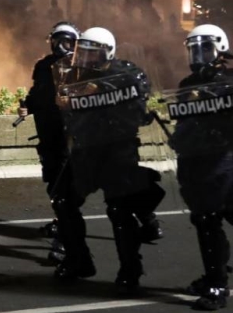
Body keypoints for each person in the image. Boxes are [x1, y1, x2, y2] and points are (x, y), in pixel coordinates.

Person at [54, 27, 165, 292]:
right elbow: (68, 113)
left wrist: (104, 91)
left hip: (117, 151)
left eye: (93, 54)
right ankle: (78, 260)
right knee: (62, 199)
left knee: (120, 211)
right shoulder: (74, 77)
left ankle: (130, 270)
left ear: (107, 52)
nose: (86, 59)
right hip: (85, 151)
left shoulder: (127, 74)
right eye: (83, 52)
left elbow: (138, 111)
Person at [169, 25, 233, 311]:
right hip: (192, 159)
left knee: (208, 220)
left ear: (220, 48)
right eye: (194, 48)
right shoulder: (188, 84)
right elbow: (185, 122)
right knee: (203, 219)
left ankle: (217, 285)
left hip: (218, 158)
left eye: (204, 48)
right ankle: (215, 271)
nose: (198, 54)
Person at [20, 22, 81, 263]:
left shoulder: (82, 67)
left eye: (66, 41)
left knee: (66, 190)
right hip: (49, 135)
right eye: (56, 41)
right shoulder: (44, 66)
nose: (60, 46)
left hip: (71, 137)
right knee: (55, 186)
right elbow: (38, 92)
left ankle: (64, 243)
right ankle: (61, 222)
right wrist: (27, 105)